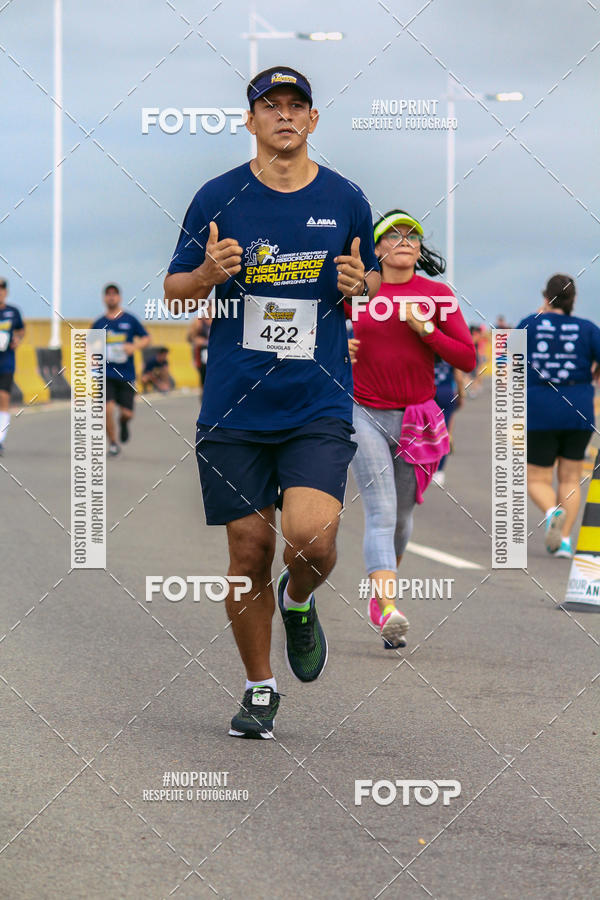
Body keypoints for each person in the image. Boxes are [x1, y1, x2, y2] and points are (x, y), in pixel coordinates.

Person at [164, 65, 381, 739]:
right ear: (250, 119)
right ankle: (260, 687)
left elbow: (367, 276)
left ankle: (299, 599)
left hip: (315, 397)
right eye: (271, 106)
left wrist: (360, 281)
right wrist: (207, 274)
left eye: (296, 106)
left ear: (313, 120)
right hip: (234, 403)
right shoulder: (217, 198)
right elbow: (175, 291)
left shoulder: (347, 197)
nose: (284, 115)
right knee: (248, 548)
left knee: (312, 540)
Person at [348, 210, 476, 648]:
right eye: (394, 235)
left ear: (419, 248)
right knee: (381, 512)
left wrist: (428, 333)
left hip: (416, 419)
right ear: (377, 247)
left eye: (413, 235)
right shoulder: (359, 293)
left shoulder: (437, 295)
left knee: (402, 519)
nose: (405, 240)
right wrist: (337, 351)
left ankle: (379, 596)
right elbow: (319, 339)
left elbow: (467, 359)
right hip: (363, 413)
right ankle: (388, 608)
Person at [518, 274, 600, 558]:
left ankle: (552, 512)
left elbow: (509, 366)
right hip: (578, 408)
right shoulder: (588, 329)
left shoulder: (529, 323)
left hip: (540, 407)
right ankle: (563, 541)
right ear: (573, 300)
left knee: (537, 478)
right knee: (571, 478)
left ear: (545, 296)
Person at [91, 284, 150, 457]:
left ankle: (123, 424)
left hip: (126, 374)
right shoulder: (99, 323)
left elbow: (146, 338)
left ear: (119, 297)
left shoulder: (130, 320)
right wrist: (93, 358)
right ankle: (113, 443)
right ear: (104, 298)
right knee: (106, 409)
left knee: (127, 413)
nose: (111, 297)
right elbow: (90, 346)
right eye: (108, 294)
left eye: (114, 294)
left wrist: (135, 346)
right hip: (106, 374)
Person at [432, 356, 466, 488]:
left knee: (423, 431)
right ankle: (439, 471)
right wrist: (461, 395)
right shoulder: (449, 351)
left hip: (427, 392)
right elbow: (458, 377)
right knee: (444, 432)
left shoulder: (425, 347)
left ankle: (423, 466)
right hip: (446, 392)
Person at [0, 279, 25, 456]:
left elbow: (21, 330)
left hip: (6, 362)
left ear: (6, 292)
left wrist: (17, 339)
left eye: (2, 289)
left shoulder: (13, 312)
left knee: (3, 398)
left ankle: (0, 440)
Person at [187, 313, 212, 394]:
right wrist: (196, 338)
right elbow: (190, 338)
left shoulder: (220, 320)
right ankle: (205, 399)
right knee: (204, 378)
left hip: (215, 352)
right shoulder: (199, 321)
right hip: (202, 353)